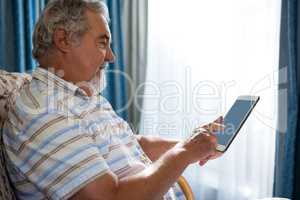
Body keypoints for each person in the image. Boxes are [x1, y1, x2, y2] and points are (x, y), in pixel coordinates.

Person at [3, 0, 223, 199]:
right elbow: (111, 197)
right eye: (102, 43)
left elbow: (131, 144)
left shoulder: (82, 95)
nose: (111, 56)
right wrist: (184, 153)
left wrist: (194, 143)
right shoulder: (43, 112)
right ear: (63, 40)